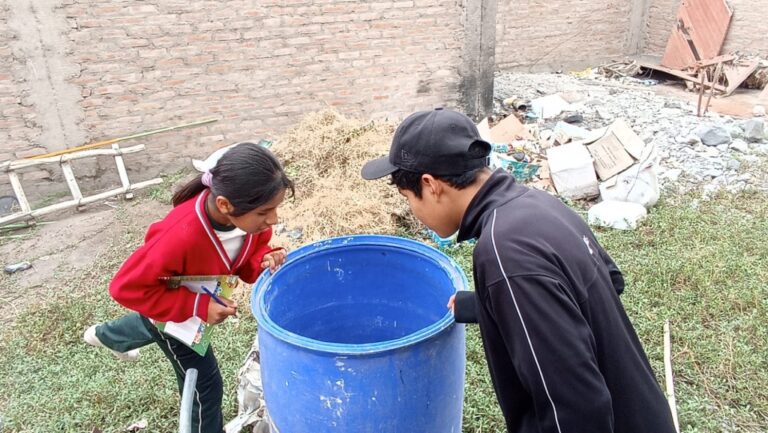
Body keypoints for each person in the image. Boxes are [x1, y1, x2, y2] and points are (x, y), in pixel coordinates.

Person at [361, 108, 677, 433]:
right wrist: (490, 301)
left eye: (407, 198)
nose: (413, 211)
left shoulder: (503, 251)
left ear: (430, 185)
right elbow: (608, 281)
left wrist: (509, 285)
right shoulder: (537, 205)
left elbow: (575, 406)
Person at [83, 142, 292, 433]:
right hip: (178, 312)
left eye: (276, 209)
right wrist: (198, 306)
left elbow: (244, 264)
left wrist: (264, 258)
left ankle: (108, 336)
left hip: (186, 299)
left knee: (153, 326)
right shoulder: (179, 236)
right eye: (265, 211)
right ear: (225, 205)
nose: (274, 219)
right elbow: (125, 288)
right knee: (204, 384)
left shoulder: (249, 224)